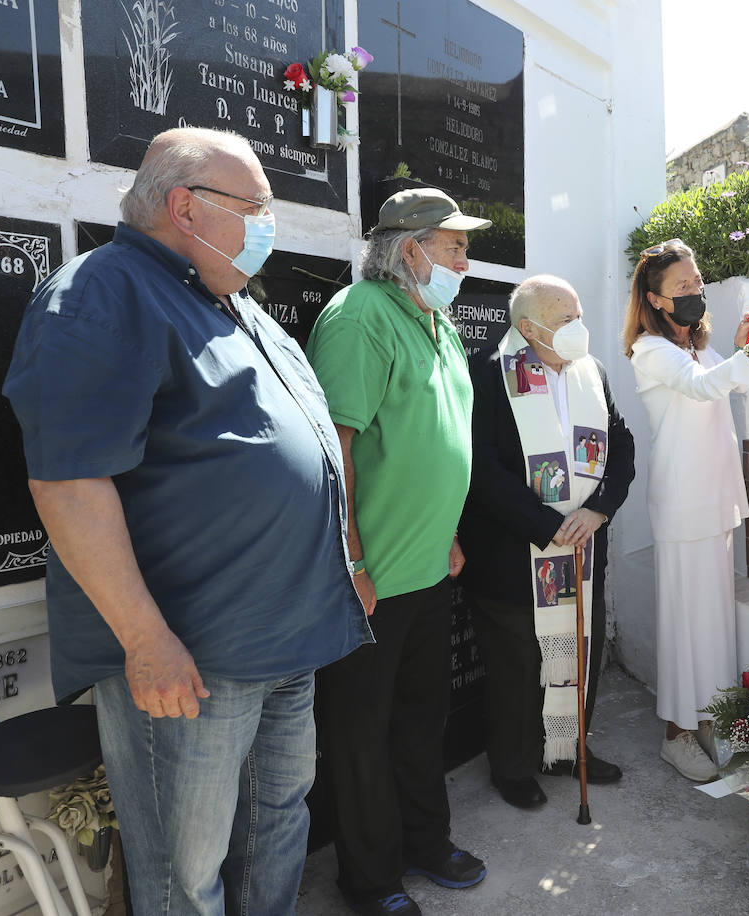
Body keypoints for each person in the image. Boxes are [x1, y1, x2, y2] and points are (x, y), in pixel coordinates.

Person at [2, 127, 369, 915]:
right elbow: (70, 481)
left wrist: (343, 565)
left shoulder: (236, 306)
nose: (271, 223)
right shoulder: (107, 292)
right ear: (185, 207)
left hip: (285, 637)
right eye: (258, 206)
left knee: (276, 828)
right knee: (183, 872)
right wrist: (145, 640)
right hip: (191, 660)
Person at [305, 186, 489, 916]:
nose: (464, 261)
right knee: (361, 737)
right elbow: (334, 449)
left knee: (421, 721)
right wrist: (351, 560)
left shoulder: (434, 320)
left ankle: (426, 841)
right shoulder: (358, 319)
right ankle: (371, 879)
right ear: (410, 249)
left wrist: (445, 531)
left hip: (426, 570)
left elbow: (432, 443)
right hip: (371, 578)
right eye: (455, 246)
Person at [622, 239, 749, 781]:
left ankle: (718, 720)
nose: (694, 292)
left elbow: (728, 377)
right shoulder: (650, 351)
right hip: (684, 503)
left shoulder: (697, 348)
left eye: (697, 281)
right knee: (685, 621)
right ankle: (676, 734)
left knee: (711, 619)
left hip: (716, 498)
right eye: (681, 286)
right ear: (655, 299)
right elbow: (705, 389)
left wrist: (745, 346)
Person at [458, 275, 636, 810]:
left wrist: (598, 508)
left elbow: (621, 446)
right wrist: (543, 523)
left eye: (578, 315)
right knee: (516, 668)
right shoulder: (490, 373)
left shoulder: (591, 372)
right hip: (514, 552)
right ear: (527, 327)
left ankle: (567, 751)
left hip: (582, 548)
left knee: (578, 656)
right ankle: (513, 766)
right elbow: (480, 464)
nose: (578, 328)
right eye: (565, 320)